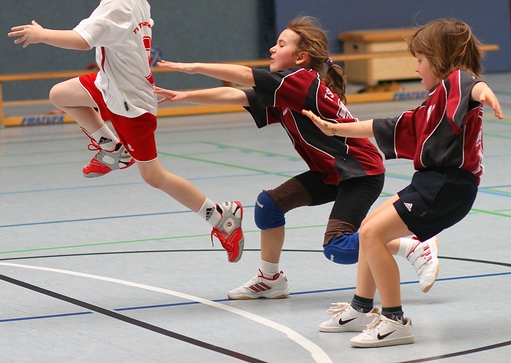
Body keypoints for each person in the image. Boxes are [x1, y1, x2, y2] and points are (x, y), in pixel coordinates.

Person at [155, 16, 438, 300]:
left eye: (281, 45)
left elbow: (243, 75)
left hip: (359, 172)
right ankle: (270, 279)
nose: (272, 49)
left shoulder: (300, 81)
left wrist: (193, 67)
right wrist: (184, 96)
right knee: (269, 205)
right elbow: (234, 94)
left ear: (301, 57)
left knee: (337, 247)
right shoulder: (284, 91)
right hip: (331, 172)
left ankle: (413, 244)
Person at [7, 0, 244, 262]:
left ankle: (221, 217)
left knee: (154, 176)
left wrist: (41, 34)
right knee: (60, 94)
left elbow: (82, 41)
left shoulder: (118, 3)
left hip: (131, 103)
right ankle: (112, 148)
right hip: (110, 85)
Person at [304, 18, 504, 348]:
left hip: (447, 187)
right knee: (368, 228)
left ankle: (394, 321)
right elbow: (386, 125)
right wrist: (334, 129)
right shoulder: (435, 103)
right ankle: (360, 309)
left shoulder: (457, 82)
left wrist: (488, 94)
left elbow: (475, 86)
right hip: (431, 182)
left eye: (420, 60)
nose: (416, 67)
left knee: (372, 234)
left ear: (440, 58)